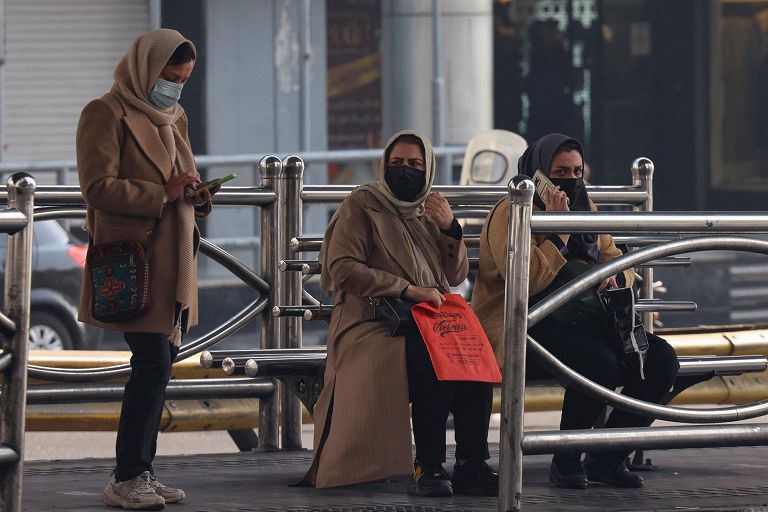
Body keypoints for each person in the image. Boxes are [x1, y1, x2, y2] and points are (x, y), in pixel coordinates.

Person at [472, 133, 679, 490]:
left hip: (588, 319)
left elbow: (616, 256)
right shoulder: (511, 210)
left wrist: (613, 276)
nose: (569, 179)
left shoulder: (586, 206)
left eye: (576, 170)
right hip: (524, 324)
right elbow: (524, 279)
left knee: (660, 360)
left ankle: (607, 456)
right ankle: (567, 460)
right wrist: (559, 231)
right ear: (538, 172)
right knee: (598, 362)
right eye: (559, 171)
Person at [301, 130, 498, 497]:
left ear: (428, 169)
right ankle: (430, 465)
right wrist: (405, 289)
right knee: (432, 359)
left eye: (414, 164)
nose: (404, 171)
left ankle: (472, 463)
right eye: (397, 164)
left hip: (427, 319)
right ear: (383, 165)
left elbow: (454, 276)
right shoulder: (363, 204)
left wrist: (449, 228)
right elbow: (341, 267)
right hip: (374, 322)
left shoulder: (428, 210)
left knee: (472, 356)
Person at [76, 29, 216, 510]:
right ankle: (128, 475)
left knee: (159, 367)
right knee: (152, 364)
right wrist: (163, 194)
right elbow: (97, 187)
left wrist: (196, 197)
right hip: (131, 262)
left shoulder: (174, 116)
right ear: (144, 69)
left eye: (183, 80)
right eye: (169, 77)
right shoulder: (104, 113)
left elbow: (182, 180)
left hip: (173, 260)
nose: (175, 88)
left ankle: (141, 470)